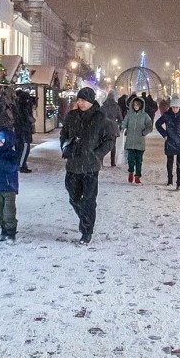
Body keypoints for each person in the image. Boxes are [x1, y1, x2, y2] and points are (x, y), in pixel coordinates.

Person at [60, 87, 116, 244]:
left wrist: (96, 154)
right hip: (73, 164)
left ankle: (87, 230)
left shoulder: (100, 118)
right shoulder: (71, 116)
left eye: (83, 100)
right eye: (78, 100)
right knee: (74, 197)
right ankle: (84, 218)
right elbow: (64, 134)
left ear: (91, 101)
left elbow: (109, 140)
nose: (80, 103)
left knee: (89, 200)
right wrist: (64, 146)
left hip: (90, 167)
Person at [155, 96, 180, 190]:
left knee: (179, 163)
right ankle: (169, 179)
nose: (175, 109)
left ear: (179, 107)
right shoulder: (167, 115)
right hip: (170, 141)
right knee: (170, 162)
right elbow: (157, 124)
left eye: (177, 107)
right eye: (173, 107)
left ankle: (179, 183)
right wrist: (164, 135)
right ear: (171, 107)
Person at [0, 125, 20, 243]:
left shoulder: (12, 154)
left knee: (9, 212)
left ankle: (11, 232)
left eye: (1, 140)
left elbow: (12, 168)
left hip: (9, 188)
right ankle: (3, 230)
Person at [123, 95, 152, 185]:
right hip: (130, 141)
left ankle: (137, 176)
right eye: (134, 105)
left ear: (141, 106)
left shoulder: (145, 116)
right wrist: (122, 128)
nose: (136, 106)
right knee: (131, 159)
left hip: (140, 142)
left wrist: (144, 133)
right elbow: (124, 123)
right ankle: (131, 171)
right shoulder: (129, 115)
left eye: (137, 105)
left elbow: (149, 126)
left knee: (139, 160)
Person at [15, 88, 35, 172]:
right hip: (24, 130)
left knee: (20, 148)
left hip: (19, 130)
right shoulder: (24, 107)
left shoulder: (17, 105)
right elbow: (28, 118)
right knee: (25, 148)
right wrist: (33, 120)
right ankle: (21, 165)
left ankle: (21, 164)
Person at [102, 90, 124, 168]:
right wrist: (117, 123)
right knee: (113, 145)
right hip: (113, 128)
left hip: (104, 128)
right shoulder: (116, 107)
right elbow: (120, 118)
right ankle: (112, 162)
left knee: (102, 144)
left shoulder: (103, 106)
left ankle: (101, 161)